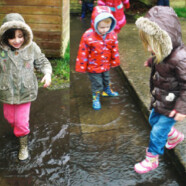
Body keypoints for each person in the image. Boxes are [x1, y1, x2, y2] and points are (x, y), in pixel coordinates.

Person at [134, 6, 185, 174]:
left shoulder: (180, 59)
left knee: (157, 131)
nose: (149, 49)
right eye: (147, 44)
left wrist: (181, 109)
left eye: (151, 45)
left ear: (166, 40)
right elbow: (160, 59)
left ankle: (152, 158)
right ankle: (175, 136)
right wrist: (151, 61)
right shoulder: (163, 52)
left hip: (172, 105)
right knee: (152, 120)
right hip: (161, 99)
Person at [0, 13, 52, 161]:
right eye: (12, 37)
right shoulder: (1, 51)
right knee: (10, 118)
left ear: (25, 34)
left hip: (25, 90)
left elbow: (42, 61)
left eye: (20, 36)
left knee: (21, 122)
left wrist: (47, 73)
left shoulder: (32, 47)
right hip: (6, 91)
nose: (17, 40)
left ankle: (23, 145)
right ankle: (18, 128)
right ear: (5, 37)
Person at [76, 6, 120, 110]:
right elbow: (83, 52)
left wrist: (114, 61)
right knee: (97, 83)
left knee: (106, 79)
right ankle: (95, 98)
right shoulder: (88, 36)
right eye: (102, 27)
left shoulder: (112, 34)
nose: (105, 30)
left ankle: (107, 91)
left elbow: (114, 49)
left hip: (106, 64)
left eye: (108, 27)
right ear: (95, 24)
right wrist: (82, 66)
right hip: (93, 66)